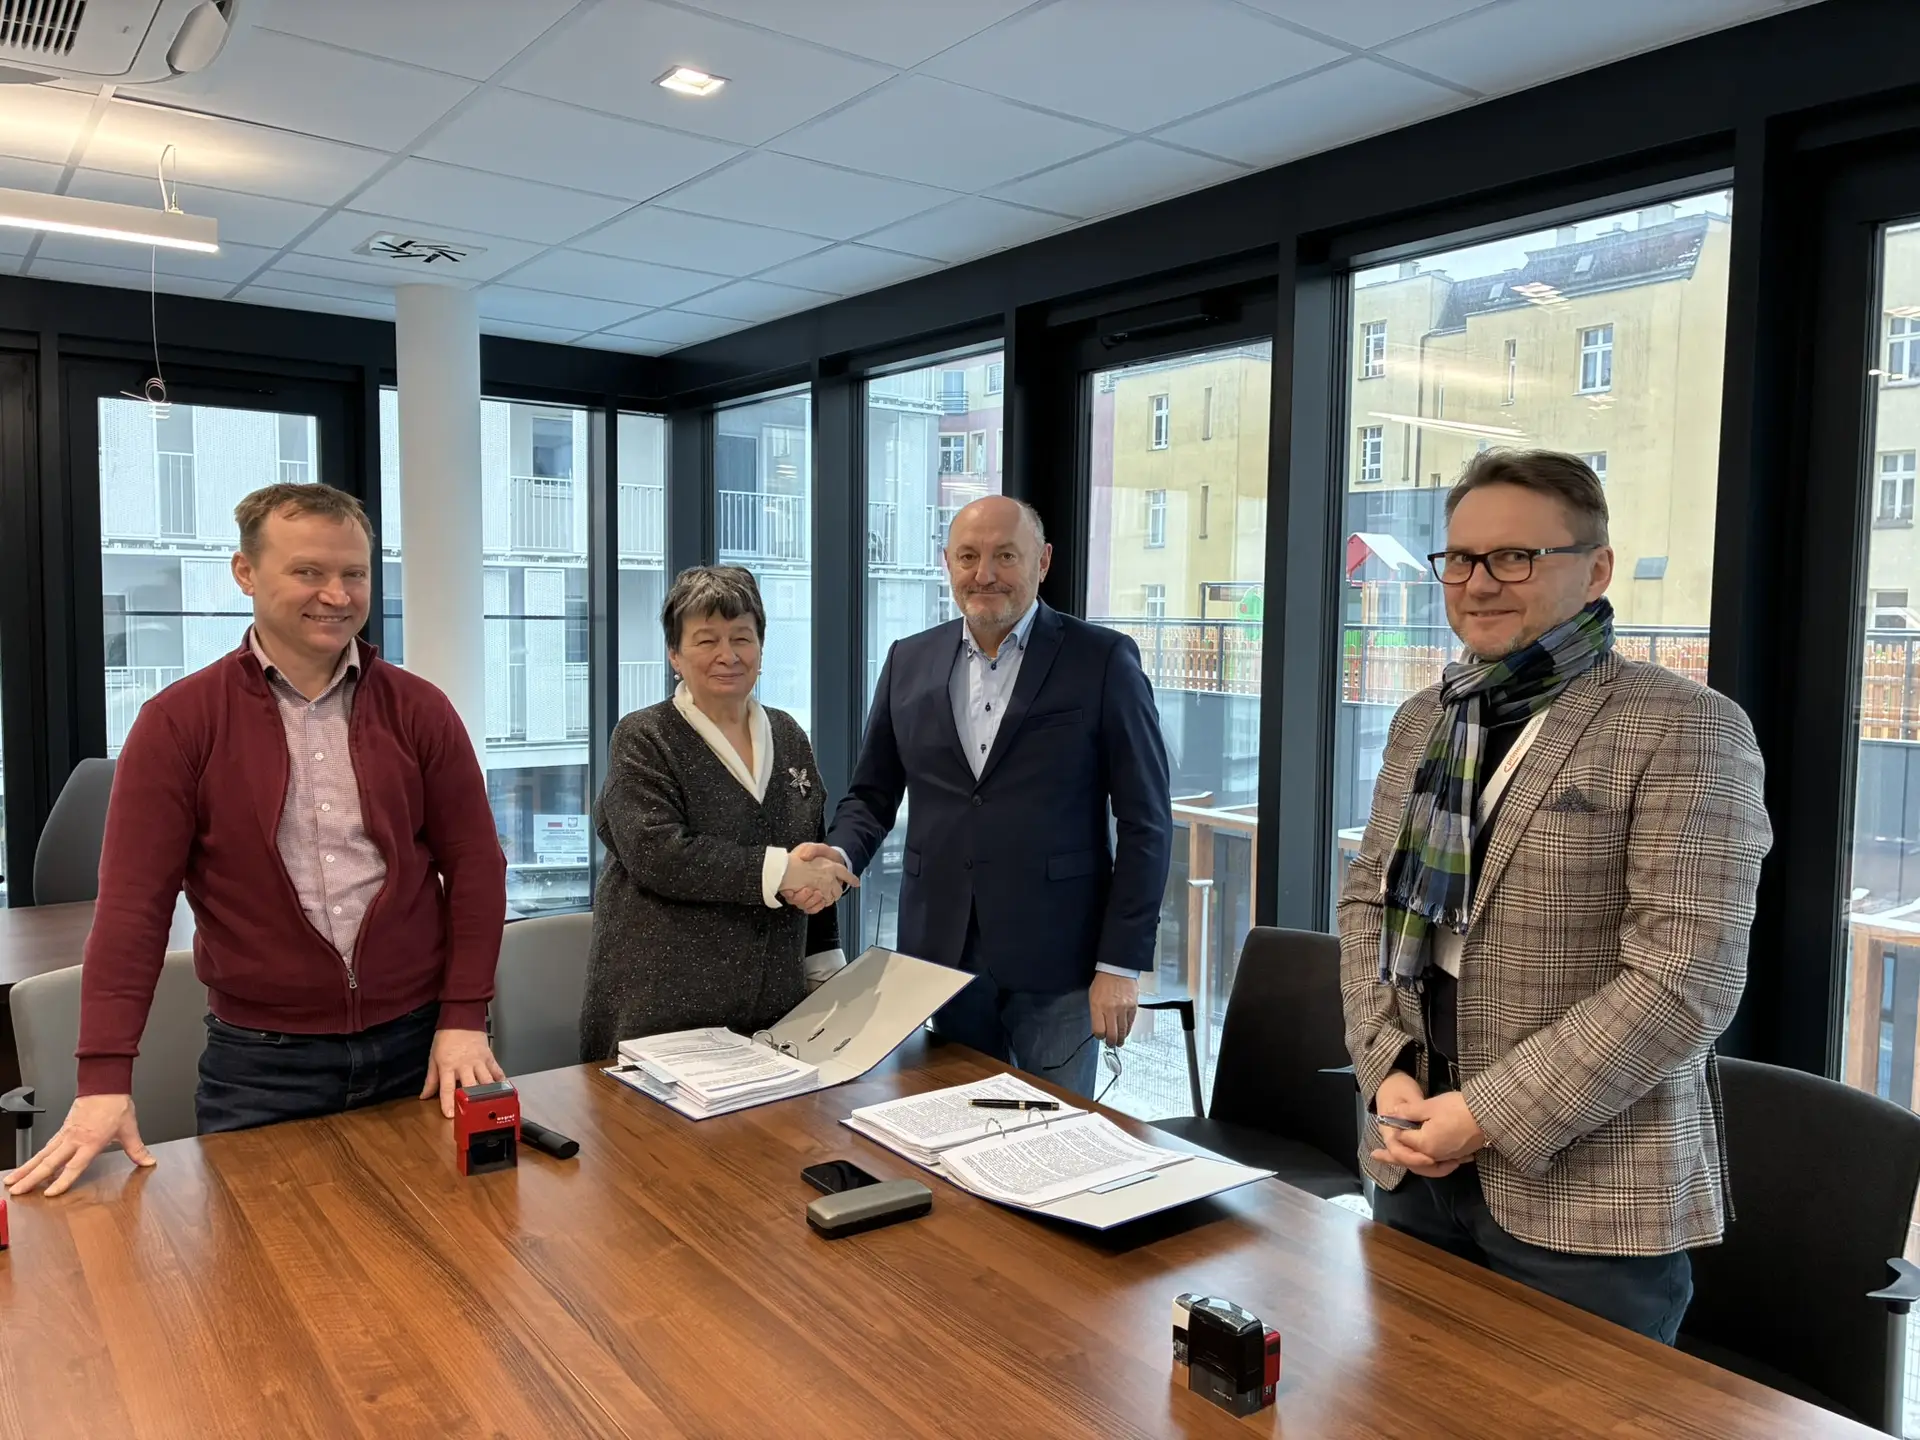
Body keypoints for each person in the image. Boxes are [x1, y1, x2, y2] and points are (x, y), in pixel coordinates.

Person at [1338, 449, 1771, 1343]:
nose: (1478, 583)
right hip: (1410, 1154)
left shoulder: (1685, 726)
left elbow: (1685, 980)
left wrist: (1485, 1116)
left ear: (1597, 570)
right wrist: (1384, 1068)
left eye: (1515, 557)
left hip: (1585, 1200)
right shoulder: (1427, 717)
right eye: (1461, 558)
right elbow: (1365, 908)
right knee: (1406, 1396)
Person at [7, 483, 508, 1199]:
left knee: (444, 1242)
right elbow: (133, 911)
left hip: (421, 1046)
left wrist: (464, 1015)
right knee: (263, 1261)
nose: (336, 594)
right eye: (308, 571)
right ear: (245, 572)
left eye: (355, 573)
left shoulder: (419, 709)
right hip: (263, 1067)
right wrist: (104, 1080)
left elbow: (476, 868)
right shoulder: (179, 722)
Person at [817, 496, 1172, 1099]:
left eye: (1006, 556)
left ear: (1043, 561)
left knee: (1055, 1136)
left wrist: (1120, 964)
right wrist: (839, 856)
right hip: (941, 957)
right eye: (968, 557)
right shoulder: (908, 660)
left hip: (1060, 960)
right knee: (946, 1124)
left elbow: (1147, 822)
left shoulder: (1103, 660)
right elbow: (872, 794)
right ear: (947, 564)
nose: (984, 574)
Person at [577, 566, 856, 1059]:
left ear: (761, 649)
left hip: (776, 1015)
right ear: (674, 654)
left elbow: (809, 848)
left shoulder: (789, 735)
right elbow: (659, 854)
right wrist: (780, 871)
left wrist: (824, 964)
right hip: (660, 1014)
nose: (728, 655)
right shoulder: (644, 737)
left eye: (742, 638)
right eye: (706, 640)